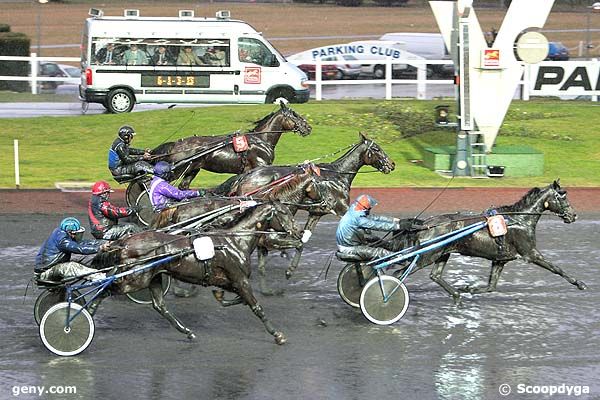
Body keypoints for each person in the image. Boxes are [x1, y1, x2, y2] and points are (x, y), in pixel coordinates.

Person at [336, 194, 422, 261]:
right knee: (380, 252)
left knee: (375, 239)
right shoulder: (358, 218)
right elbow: (378, 225)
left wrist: (396, 220)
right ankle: (402, 257)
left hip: (350, 243)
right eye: (369, 208)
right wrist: (399, 226)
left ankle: (393, 249)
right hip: (350, 248)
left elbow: (375, 218)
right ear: (365, 208)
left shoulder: (354, 210)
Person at [35, 217, 107, 283]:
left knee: (82, 263)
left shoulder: (63, 234)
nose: (78, 236)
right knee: (71, 266)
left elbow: (82, 242)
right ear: (70, 232)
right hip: (45, 273)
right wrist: (100, 248)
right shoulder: (62, 240)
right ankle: (100, 277)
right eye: (76, 234)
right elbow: (78, 248)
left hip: (51, 268)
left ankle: (96, 275)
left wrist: (104, 242)